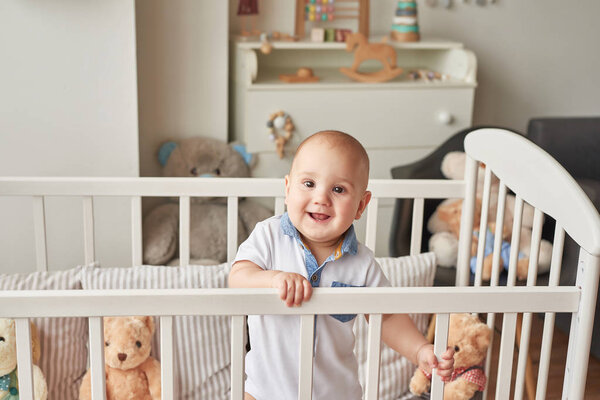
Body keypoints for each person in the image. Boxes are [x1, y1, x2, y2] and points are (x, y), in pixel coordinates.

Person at [228, 130, 454, 400]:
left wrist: (419, 350)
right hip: (263, 392)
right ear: (288, 189)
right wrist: (273, 279)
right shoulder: (269, 236)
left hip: (335, 393)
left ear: (361, 205)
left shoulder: (362, 263)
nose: (321, 198)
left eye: (338, 189)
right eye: (309, 183)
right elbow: (238, 276)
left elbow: (388, 317)